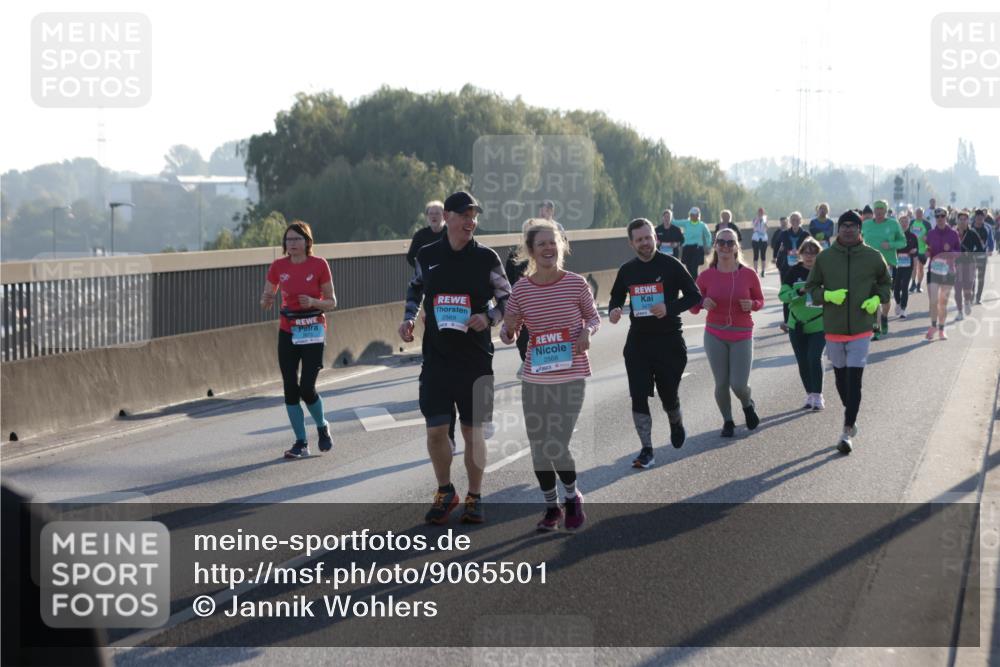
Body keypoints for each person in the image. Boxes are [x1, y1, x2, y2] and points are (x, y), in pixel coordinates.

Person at [399, 191, 511, 525]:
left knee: (472, 434)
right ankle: (445, 491)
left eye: (474, 216)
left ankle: (475, 495)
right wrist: (408, 318)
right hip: (436, 358)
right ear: (447, 217)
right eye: (464, 215)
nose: (470, 221)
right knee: (435, 431)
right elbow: (415, 288)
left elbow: (508, 298)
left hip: (475, 360)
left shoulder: (487, 258)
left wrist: (489, 318)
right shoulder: (427, 254)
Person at [501, 220, 599, 531]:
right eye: (541, 243)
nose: (548, 248)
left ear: (561, 246)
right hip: (536, 377)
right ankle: (550, 508)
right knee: (539, 445)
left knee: (557, 443)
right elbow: (509, 326)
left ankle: (571, 497)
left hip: (571, 374)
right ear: (530, 251)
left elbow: (593, 317)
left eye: (552, 242)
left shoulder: (575, 283)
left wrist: (586, 331)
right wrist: (507, 331)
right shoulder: (522, 289)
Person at [608, 218, 701, 468]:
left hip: (669, 341)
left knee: (668, 395)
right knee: (638, 396)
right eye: (639, 239)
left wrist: (668, 308)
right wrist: (615, 310)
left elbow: (694, 296)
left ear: (655, 238)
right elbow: (616, 296)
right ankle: (646, 449)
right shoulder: (627, 270)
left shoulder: (672, 265)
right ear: (631, 243)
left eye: (648, 237)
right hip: (638, 342)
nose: (645, 243)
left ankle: (675, 419)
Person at [804, 210, 891, 454]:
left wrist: (876, 298)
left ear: (860, 230)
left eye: (853, 225)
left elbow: (886, 284)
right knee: (841, 381)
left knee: (855, 381)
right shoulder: (826, 258)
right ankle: (850, 415)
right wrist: (827, 296)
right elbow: (811, 288)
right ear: (838, 229)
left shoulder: (873, 257)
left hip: (862, 328)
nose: (849, 229)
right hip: (833, 328)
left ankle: (846, 429)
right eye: (844, 225)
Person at [260, 221, 337, 459]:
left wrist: (313, 302)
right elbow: (267, 296)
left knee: (307, 388)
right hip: (288, 331)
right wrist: (266, 300)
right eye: (288, 240)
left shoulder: (319, 264)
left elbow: (332, 302)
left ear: (307, 242)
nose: (292, 244)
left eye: (297, 239)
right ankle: (301, 442)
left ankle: (322, 426)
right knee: (290, 389)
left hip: (313, 330)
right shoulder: (277, 266)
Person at [690, 228, 764, 437]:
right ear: (715, 246)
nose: (725, 247)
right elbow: (693, 306)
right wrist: (702, 301)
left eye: (729, 243)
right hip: (715, 333)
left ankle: (747, 403)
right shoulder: (705, 276)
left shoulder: (748, 274)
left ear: (736, 247)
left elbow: (760, 301)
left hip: (742, 333)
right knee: (721, 383)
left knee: (738, 385)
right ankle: (728, 421)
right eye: (721, 242)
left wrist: (752, 304)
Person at [407, 200, 458, 452]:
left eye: (439, 214)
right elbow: (413, 269)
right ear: (427, 216)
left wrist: (491, 317)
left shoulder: (473, 250)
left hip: (467, 336)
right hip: (433, 303)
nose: (436, 217)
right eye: (432, 214)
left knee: (460, 382)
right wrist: (410, 317)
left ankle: (462, 427)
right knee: (439, 380)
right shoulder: (423, 241)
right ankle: (446, 432)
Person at [778, 237, 825, 409]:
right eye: (806, 252)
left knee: (814, 357)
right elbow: (782, 295)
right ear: (801, 254)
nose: (809, 256)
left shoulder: (825, 271)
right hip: (797, 324)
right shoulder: (793, 271)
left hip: (819, 323)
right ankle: (809, 394)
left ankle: (818, 395)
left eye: (813, 253)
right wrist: (799, 291)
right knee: (802, 361)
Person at [861, 200, 906, 339]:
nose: (879, 213)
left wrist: (891, 244)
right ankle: (876, 329)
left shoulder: (893, 224)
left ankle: (885, 316)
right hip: (868, 267)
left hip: (888, 266)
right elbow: (858, 240)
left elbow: (903, 242)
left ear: (885, 211)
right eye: (877, 210)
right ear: (874, 212)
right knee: (873, 299)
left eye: (882, 210)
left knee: (885, 300)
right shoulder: (866, 225)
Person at [924, 208, 961, 340]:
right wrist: (927, 252)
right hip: (933, 271)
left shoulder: (953, 234)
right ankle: (933, 326)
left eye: (942, 216)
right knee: (933, 301)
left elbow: (959, 253)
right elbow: (928, 249)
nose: (940, 218)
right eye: (937, 216)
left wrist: (950, 250)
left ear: (946, 217)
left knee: (943, 303)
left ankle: (941, 329)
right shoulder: (931, 233)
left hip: (948, 271)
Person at [773, 212, 811, 333]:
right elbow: (777, 246)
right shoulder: (784, 233)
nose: (795, 221)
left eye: (797, 219)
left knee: (801, 293)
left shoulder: (806, 234)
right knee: (787, 294)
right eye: (793, 219)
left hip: (801, 268)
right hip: (787, 268)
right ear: (790, 221)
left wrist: (796, 251)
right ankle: (787, 322)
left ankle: (804, 319)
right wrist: (781, 254)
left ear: (801, 221)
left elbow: (808, 248)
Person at [955, 211, 985, 319]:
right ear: (957, 220)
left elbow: (980, 249)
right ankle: (959, 312)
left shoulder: (972, 233)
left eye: (965, 219)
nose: (962, 221)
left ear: (968, 220)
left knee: (967, 289)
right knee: (957, 289)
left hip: (969, 264)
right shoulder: (953, 233)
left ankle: (967, 301)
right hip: (956, 264)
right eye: (960, 219)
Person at [891, 214, 919, 319]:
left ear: (909, 223)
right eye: (902, 221)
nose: (904, 224)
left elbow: (916, 250)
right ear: (899, 223)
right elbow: (891, 248)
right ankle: (898, 303)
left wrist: (914, 251)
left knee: (904, 287)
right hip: (897, 265)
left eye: (906, 222)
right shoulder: (895, 236)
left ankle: (903, 308)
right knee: (896, 288)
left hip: (908, 265)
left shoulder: (913, 237)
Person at [406, 200, 447, 268]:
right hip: (427, 276)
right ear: (427, 216)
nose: (434, 216)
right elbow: (410, 257)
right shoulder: (420, 235)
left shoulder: (451, 233)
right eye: (431, 213)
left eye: (437, 213)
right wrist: (421, 270)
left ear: (444, 216)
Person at [677, 206, 712, 279]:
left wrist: (708, 245)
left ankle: (696, 284)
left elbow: (708, 235)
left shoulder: (702, 225)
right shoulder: (686, 223)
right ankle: (692, 284)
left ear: (698, 215)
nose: (693, 216)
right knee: (688, 268)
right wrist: (670, 213)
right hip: (687, 248)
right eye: (692, 215)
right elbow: (674, 222)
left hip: (697, 249)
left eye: (695, 215)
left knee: (694, 268)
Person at [971, 209, 995, 305]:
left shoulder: (987, 228)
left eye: (981, 218)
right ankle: (972, 295)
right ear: (975, 218)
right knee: (972, 277)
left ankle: (978, 297)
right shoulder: (970, 227)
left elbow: (991, 240)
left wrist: (990, 249)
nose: (980, 220)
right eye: (978, 218)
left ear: (984, 218)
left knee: (981, 278)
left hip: (982, 256)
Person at [908, 207, 932, 293]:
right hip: (913, 248)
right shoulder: (911, 222)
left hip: (922, 249)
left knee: (921, 269)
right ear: (915, 214)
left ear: (923, 214)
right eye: (917, 213)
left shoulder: (927, 224)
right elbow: (907, 234)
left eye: (920, 213)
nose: (918, 215)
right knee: (913, 267)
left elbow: (931, 237)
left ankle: (919, 284)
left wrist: (927, 240)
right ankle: (913, 283)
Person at [750, 207, 769, 277]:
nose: (760, 213)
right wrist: (758, 220)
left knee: (763, 255)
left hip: (763, 238)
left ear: (763, 213)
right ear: (758, 213)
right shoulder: (755, 219)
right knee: (756, 255)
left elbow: (767, 228)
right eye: (759, 212)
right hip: (756, 238)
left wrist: (765, 223)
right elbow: (753, 227)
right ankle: (755, 271)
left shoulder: (765, 219)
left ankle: (763, 271)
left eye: (762, 212)